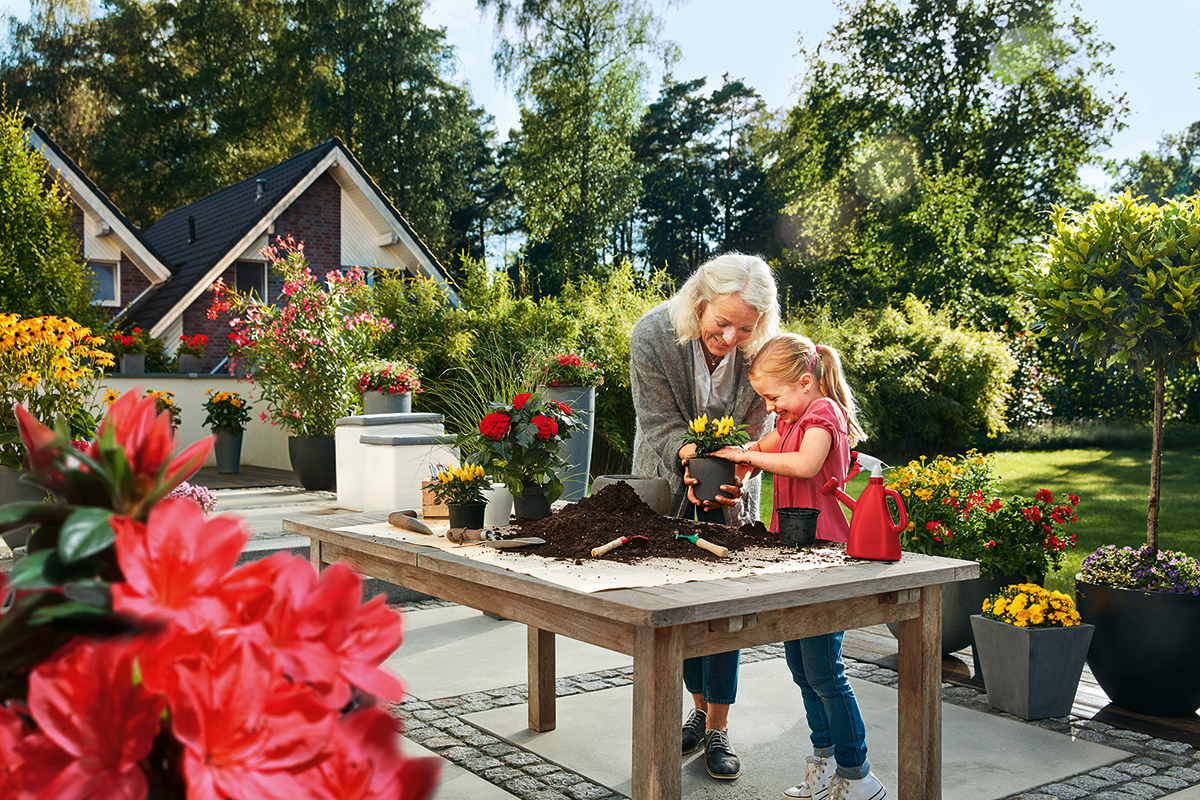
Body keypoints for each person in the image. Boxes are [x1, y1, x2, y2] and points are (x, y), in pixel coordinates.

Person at [712, 333, 886, 800]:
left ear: (806, 382)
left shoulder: (821, 414)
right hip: (794, 557)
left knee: (826, 671)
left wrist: (751, 456)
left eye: (774, 396)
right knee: (803, 669)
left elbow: (807, 465)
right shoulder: (790, 419)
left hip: (827, 556)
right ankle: (825, 763)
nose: (770, 407)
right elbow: (758, 453)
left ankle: (859, 775)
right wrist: (735, 469)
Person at [629, 252, 780, 781]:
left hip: (731, 493)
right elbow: (656, 419)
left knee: (723, 614)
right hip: (668, 482)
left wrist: (740, 476)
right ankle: (695, 711)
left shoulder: (763, 348)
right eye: (722, 323)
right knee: (682, 611)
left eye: (745, 328)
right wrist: (688, 457)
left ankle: (717, 727)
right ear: (698, 303)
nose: (732, 338)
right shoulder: (651, 334)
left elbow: (762, 429)